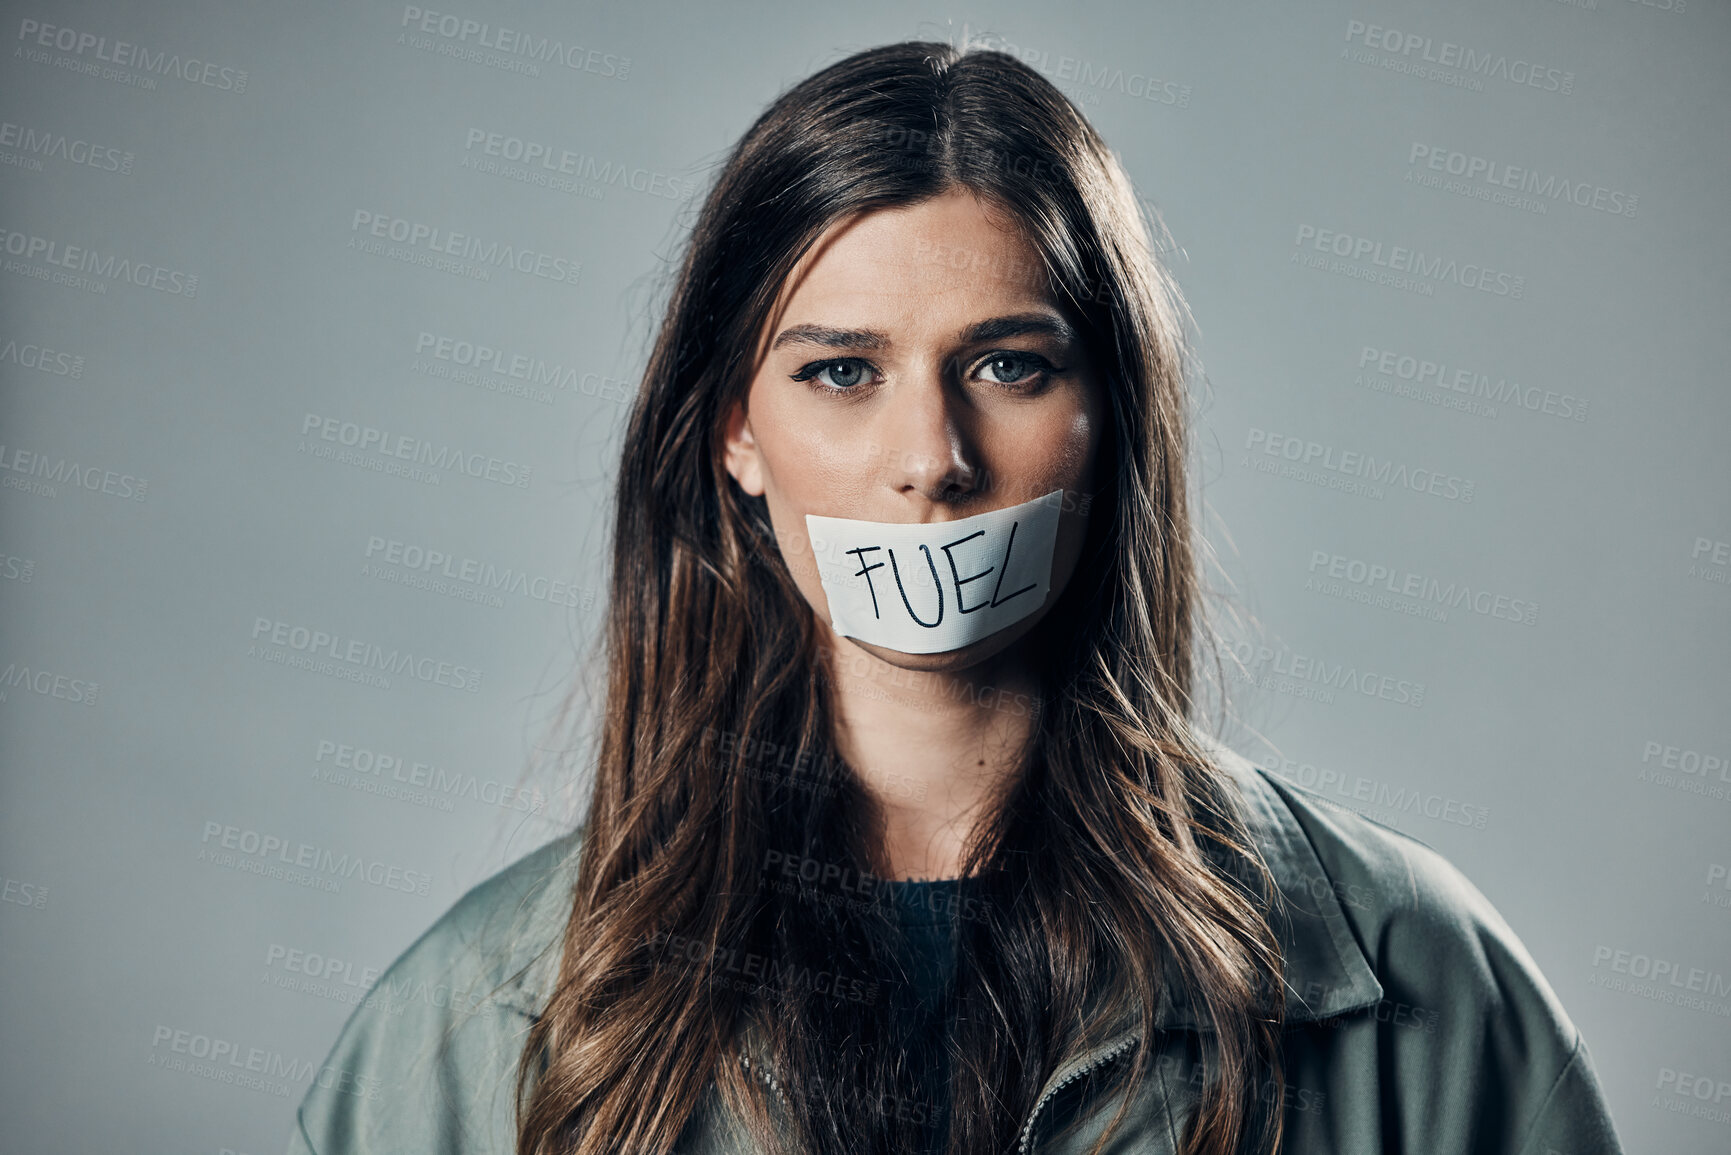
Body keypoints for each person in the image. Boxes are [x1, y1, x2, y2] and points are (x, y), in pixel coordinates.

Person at [285, 41, 1625, 1155]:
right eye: (841, 372)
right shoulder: (485, 1025)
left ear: (1110, 419)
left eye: (1006, 365)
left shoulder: (1414, 982)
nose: (932, 461)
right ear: (732, 436)